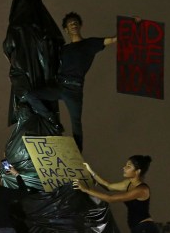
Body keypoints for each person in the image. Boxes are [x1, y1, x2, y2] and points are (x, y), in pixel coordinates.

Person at [23, 11, 117, 151]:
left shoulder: (89, 44)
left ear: (79, 26)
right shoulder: (64, 49)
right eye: (70, 24)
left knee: (76, 124)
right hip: (59, 86)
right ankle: (52, 120)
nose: (73, 25)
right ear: (66, 30)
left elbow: (114, 39)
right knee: (31, 95)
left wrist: (134, 25)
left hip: (74, 90)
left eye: (75, 22)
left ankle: (78, 155)